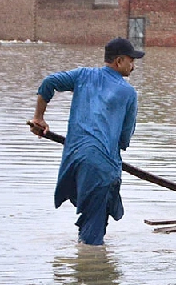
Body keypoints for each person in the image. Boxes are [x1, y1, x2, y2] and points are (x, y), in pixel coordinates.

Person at [29, 37, 144, 245]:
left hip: (74, 158)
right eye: (131, 60)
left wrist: (39, 117)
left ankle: (85, 263)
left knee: (89, 220)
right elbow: (125, 137)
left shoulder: (82, 75)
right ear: (119, 61)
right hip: (101, 164)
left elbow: (49, 83)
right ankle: (93, 270)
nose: (133, 66)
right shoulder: (128, 93)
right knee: (94, 233)